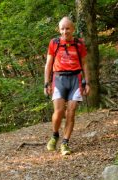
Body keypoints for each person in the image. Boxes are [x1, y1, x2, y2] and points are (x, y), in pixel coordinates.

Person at [44, 17, 90, 155]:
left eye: (68, 28)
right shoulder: (54, 43)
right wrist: (46, 83)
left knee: (71, 111)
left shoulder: (79, 44)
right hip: (59, 79)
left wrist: (87, 82)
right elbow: (48, 64)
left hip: (75, 79)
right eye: (62, 29)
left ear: (73, 29)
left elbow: (85, 64)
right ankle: (55, 134)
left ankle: (65, 143)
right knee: (58, 112)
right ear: (59, 30)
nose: (65, 31)